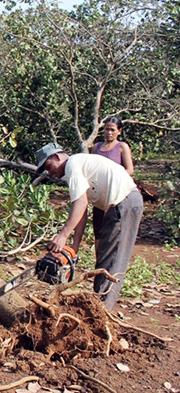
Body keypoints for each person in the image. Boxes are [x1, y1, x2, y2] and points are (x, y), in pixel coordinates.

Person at [35, 142, 143, 308]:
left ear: (56, 157)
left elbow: (81, 203)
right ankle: (100, 307)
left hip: (124, 202)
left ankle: (102, 312)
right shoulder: (78, 165)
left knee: (111, 261)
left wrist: (62, 236)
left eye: (49, 167)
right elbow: (82, 212)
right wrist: (73, 247)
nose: (50, 173)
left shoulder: (72, 164)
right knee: (105, 258)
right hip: (121, 204)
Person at [91, 116, 135, 253]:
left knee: (113, 228)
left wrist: (114, 180)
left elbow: (130, 170)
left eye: (112, 130)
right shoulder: (96, 147)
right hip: (99, 195)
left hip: (116, 194)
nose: (109, 132)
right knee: (98, 229)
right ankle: (99, 262)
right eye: (106, 129)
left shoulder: (122, 147)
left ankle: (112, 260)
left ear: (119, 131)